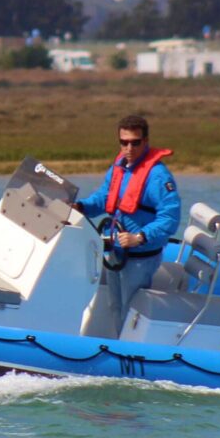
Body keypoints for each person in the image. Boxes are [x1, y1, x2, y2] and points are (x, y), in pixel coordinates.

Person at [72, 115, 181, 327]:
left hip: (139, 257)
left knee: (130, 312)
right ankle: (118, 341)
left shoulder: (158, 177)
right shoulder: (120, 167)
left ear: (145, 141)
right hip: (116, 252)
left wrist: (139, 237)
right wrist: (82, 207)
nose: (129, 148)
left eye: (135, 142)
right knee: (116, 307)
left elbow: (170, 218)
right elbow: (104, 197)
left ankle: (131, 343)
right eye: (124, 142)